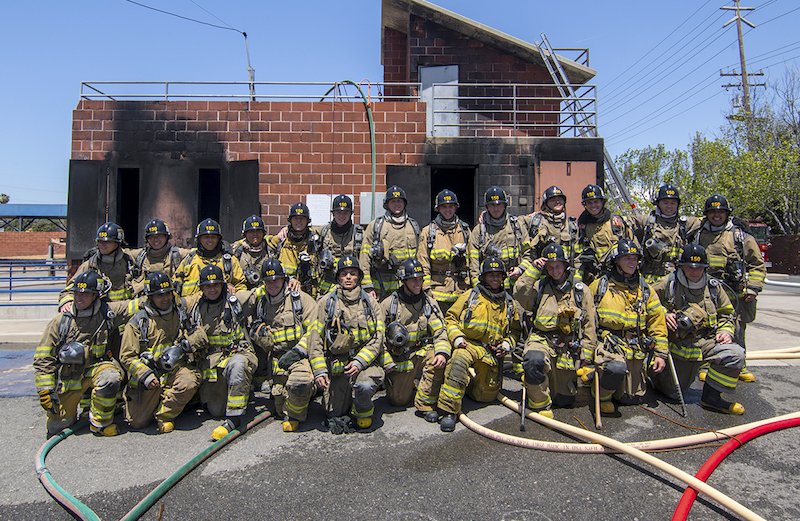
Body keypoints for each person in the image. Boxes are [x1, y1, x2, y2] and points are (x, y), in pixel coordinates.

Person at [33, 271, 140, 437]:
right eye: (76, 293)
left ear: (96, 296)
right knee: (57, 427)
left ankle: (100, 424)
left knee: (110, 377)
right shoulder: (61, 322)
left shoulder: (106, 312)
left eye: (85, 294)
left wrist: (166, 294)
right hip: (69, 379)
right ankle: (77, 413)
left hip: (97, 368)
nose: (79, 298)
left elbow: (133, 306)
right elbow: (43, 358)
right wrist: (45, 389)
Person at [650, 244, 745, 414]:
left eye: (699, 268)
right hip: (678, 347)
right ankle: (654, 376)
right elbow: (646, 303)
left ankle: (711, 398)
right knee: (672, 394)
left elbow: (727, 313)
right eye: (690, 267)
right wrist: (663, 313)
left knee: (735, 354)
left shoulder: (714, 287)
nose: (694, 271)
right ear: (682, 266)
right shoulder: (668, 283)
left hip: (705, 344)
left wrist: (726, 331)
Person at [437, 257, 522, 432]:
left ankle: (467, 385)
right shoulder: (471, 295)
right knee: (458, 361)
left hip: (492, 352)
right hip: (468, 345)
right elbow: (450, 318)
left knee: (484, 396)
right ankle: (448, 411)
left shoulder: (509, 303)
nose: (495, 279)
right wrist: (457, 338)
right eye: (491, 275)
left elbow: (515, 331)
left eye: (498, 275)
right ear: (483, 277)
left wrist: (507, 344)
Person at [513, 244, 596, 417]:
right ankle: (540, 405)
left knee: (564, 400)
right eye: (549, 267)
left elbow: (589, 325)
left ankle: (541, 386)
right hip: (542, 340)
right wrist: (533, 270)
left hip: (568, 349)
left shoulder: (581, 291)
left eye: (557, 265)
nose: (554, 271)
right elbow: (520, 293)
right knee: (532, 360)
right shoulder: (539, 286)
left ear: (565, 265)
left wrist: (587, 359)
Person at [589, 239, 668, 415]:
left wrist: (661, 353)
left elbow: (657, 323)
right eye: (627, 258)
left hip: (635, 348)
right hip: (608, 345)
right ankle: (601, 396)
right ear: (616, 261)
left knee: (631, 398)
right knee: (615, 369)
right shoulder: (599, 286)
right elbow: (587, 321)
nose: (632, 263)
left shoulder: (645, 289)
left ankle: (617, 386)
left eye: (635, 258)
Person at [307, 256, 385, 434]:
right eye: (344, 274)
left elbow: (378, 338)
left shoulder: (371, 304)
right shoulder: (326, 303)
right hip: (337, 365)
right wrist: (320, 371)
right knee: (333, 413)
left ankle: (362, 412)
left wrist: (359, 362)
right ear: (338, 278)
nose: (348, 277)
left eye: (353, 273)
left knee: (364, 387)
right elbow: (315, 339)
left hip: (365, 364)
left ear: (359, 277)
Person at [692, 194, 765, 383]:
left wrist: (753, 288)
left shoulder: (741, 237)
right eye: (712, 212)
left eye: (720, 212)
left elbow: (757, 265)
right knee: (707, 327)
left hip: (736, 294)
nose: (717, 215)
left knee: (738, 329)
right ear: (707, 214)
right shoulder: (699, 235)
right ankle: (707, 364)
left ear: (727, 213)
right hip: (709, 292)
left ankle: (740, 366)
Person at [120, 271, 204, 434]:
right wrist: (146, 375)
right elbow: (126, 356)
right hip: (150, 378)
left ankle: (164, 415)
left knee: (189, 380)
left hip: (174, 373)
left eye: (168, 294)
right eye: (159, 295)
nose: (165, 298)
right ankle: (157, 400)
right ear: (150, 297)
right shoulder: (139, 322)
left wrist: (186, 345)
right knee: (137, 422)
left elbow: (200, 333)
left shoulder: (180, 313)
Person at [185, 265, 259, 440]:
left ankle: (234, 418)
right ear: (201, 287)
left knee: (238, 365)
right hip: (212, 362)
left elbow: (264, 291)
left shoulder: (235, 301)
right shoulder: (195, 308)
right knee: (216, 410)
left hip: (238, 353)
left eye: (216, 285)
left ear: (223, 285)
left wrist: (290, 281)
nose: (212, 289)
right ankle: (236, 392)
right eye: (208, 286)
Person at [248, 259, 318, 432]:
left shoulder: (300, 299)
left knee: (301, 382)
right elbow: (238, 300)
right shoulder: (261, 303)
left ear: (284, 279)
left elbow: (315, 330)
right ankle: (300, 396)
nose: (272, 284)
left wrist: (298, 350)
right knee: (280, 403)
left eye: (276, 280)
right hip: (277, 361)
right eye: (268, 281)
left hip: (299, 356)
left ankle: (295, 416)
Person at [379, 259, 449, 410]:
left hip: (423, 352)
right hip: (400, 358)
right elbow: (378, 338)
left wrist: (442, 353)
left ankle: (425, 404)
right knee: (398, 400)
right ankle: (405, 383)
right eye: (413, 280)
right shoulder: (389, 305)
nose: (418, 283)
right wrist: (387, 361)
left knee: (437, 361)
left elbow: (440, 331)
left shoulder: (430, 303)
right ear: (404, 281)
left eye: (420, 279)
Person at [360, 185, 420, 300]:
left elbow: (420, 257)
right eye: (393, 201)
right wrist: (368, 286)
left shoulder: (413, 226)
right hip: (380, 285)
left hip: (406, 285)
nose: (397, 204)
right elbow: (364, 257)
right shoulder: (376, 226)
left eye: (399, 201)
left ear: (404, 203)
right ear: (386, 204)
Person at [631, 184, 700, 283]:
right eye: (665, 202)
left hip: (676, 281)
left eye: (673, 203)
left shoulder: (686, 224)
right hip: (649, 282)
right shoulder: (646, 221)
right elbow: (624, 222)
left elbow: (710, 221)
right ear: (658, 204)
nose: (669, 206)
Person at [59, 222, 135, 311]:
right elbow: (69, 289)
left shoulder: (130, 261)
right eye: (100, 241)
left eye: (107, 242)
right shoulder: (90, 265)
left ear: (117, 243)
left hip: (126, 312)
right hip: (100, 314)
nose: (102, 245)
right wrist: (67, 302)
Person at [417, 189, 471, 313]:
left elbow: (472, 261)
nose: (448, 210)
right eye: (444, 207)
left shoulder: (465, 231)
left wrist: (470, 287)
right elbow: (423, 262)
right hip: (437, 293)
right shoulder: (428, 232)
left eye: (451, 206)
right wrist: (426, 289)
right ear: (438, 209)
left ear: (456, 208)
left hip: (461, 291)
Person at [467, 186, 529, 291]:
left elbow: (529, 253)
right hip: (489, 288)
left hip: (515, 287)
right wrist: (478, 287)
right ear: (487, 207)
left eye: (499, 204)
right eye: (492, 205)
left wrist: (520, 269)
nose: (496, 208)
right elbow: (473, 264)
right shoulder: (479, 231)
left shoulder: (517, 226)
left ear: (505, 205)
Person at [575, 184, 634, 285]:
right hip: (593, 279)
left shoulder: (616, 222)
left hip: (618, 278)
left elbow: (632, 249)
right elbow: (578, 255)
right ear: (585, 205)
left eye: (596, 202)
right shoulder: (583, 226)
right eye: (589, 203)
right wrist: (577, 279)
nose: (593, 205)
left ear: (603, 202)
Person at [174, 218, 247, 297]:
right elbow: (175, 286)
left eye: (213, 237)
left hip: (221, 307)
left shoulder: (229, 260)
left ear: (218, 239)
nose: (210, 240)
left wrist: (234, 291)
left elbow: (241, 286)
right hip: (192, 307)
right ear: (199, 239)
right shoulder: (189, 260)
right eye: (206, 237)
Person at [521, 185, 579, 275]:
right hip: (541, 275)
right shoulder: (536, 221)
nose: (557, 202)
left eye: (560, 199)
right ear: (545, 204)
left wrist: (576, 278)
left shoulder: (571, 226)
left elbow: (577, 256)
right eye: (552, 200)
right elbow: (514, 222)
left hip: (564, 275)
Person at [314, 195, 364, 295]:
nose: (342, 216)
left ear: (351, 214)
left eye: (345, 212)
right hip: (327, 286)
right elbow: (301, 230)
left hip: (351, 287)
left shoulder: (360, 234)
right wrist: (285, 230)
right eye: (338, 212)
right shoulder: (323, 232)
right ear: (333, 213)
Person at [268, 203, 320, 296]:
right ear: (290, 220)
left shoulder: (315, 240)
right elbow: (260, 240)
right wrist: (240, 244)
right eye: (295, 218)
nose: (299, 221)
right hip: (286, 290)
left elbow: (330, 229)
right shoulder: (281, 239)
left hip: (310, 292)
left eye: (302, 218)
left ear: (307, 221)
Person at [129, 218, 187, 295]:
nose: (155, 240)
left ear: (166, 237)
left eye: (159, 236)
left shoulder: (178, 254)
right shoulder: (140, 255)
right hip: (144, 300)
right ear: (147, 239)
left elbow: (197, 253)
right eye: (151, 237)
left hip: (169, 299)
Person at [232, 215, 271, 290]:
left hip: (267, 290)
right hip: (243, 292)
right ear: (245, 234)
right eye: (251, 231)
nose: (255, 234)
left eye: (258, 231)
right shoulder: (236, 250)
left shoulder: (270, 249)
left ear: (263, 234)